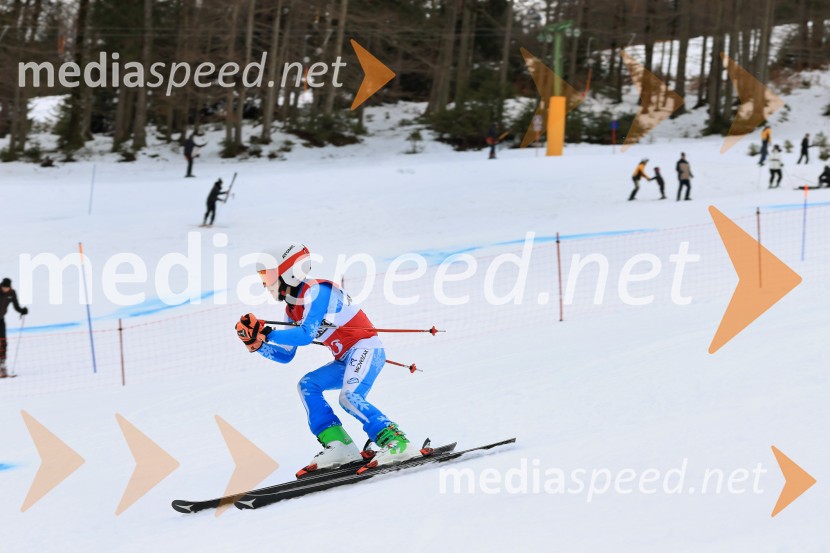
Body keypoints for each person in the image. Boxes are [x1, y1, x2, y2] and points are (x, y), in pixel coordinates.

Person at [236, 244, 419, 474]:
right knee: (307, 385)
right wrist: (259, 345)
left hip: (367, 349)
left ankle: (397, 442)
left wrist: (268, 333)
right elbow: (286, 355)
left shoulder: (316, 292)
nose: (265, 283)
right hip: (346, 357)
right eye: (262, 276)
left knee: (349, 397)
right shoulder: (292, 308)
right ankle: (340, 445)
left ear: (288, 272)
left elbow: (305, 335)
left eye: (268, 275)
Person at [1, 278, 28, 378]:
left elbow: (16, 306)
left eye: (7, 287)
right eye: (3, 287)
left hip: (0, 319)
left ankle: (2, 365)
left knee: (3, 342)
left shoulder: (12, 293)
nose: (5, 289)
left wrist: (22, 310)